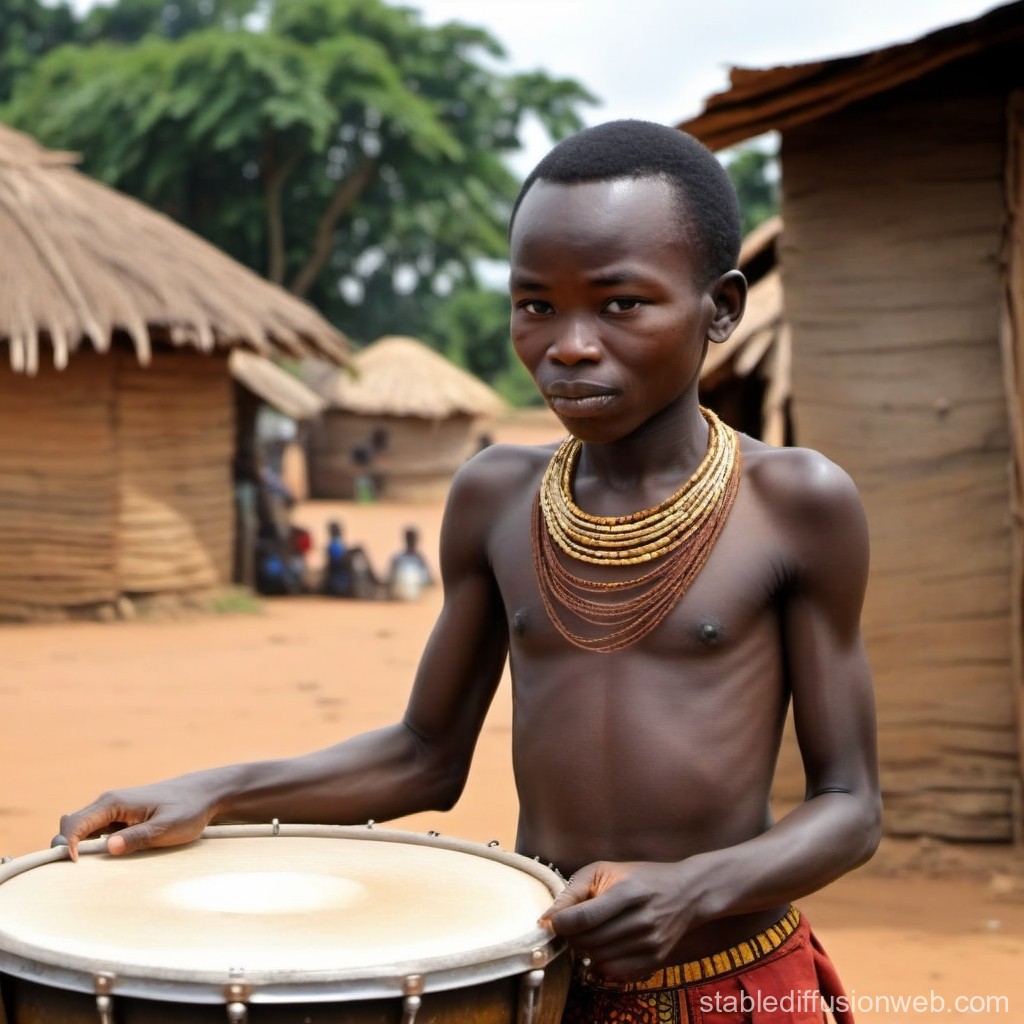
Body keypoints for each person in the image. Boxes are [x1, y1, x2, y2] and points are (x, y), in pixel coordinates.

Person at [55, 121, 879, 1023]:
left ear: (720, 309)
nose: (568, 344)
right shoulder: (495, 497)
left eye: (621, 304)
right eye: (535, 305)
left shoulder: (797, 504)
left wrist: (696, 889)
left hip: (730, 984)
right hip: (538, 981)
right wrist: (212, 791)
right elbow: (425, 754)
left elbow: (849, 804)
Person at [387, 526, 434, 601]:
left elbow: (389, 578)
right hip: (414, 594)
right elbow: (428, 580)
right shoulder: (420, 559)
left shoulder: (397, 558)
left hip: (399, 593)